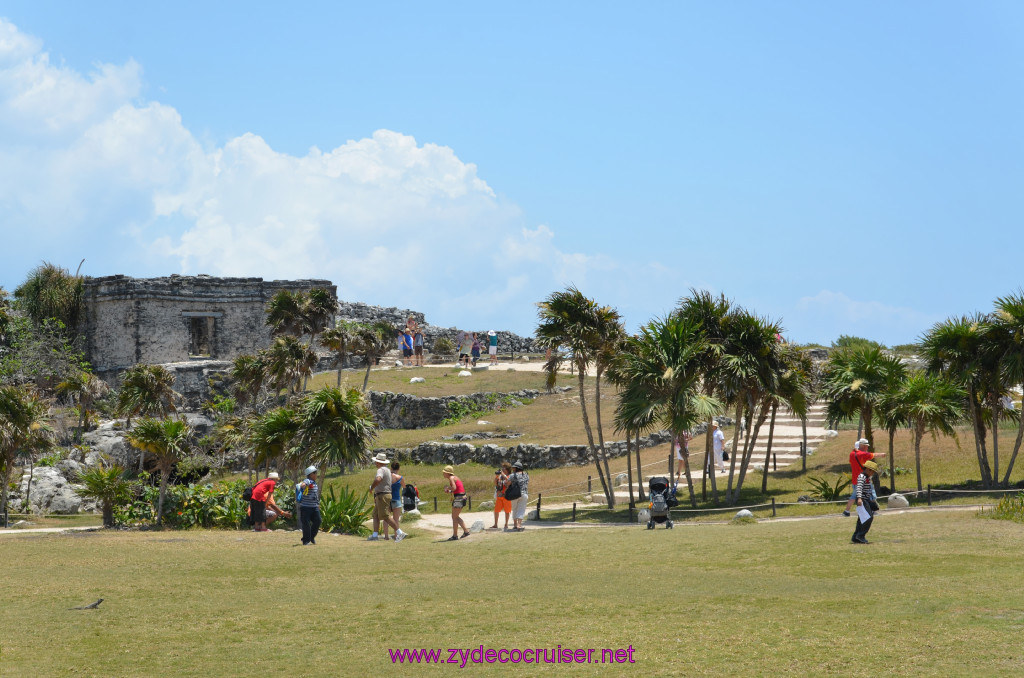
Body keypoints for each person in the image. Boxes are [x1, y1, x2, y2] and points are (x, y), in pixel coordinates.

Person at [369, 453, 406, 542]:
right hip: (385, 495)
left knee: (385, 516)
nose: (375, 463)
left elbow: (378, 479)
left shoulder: (380, 470)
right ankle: (375, 535)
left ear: (378, 462)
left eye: (376, 462)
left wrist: (371, 487)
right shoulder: (387, 470)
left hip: (382, 495)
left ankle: (400, 533)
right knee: (376, 515)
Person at [844, 438, 886, 517]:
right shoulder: (862, 454)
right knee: (871, 494)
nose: (867, 448)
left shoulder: (852, 454)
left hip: (855, 480)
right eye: (866, 446)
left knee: (854, 496)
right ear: (862, 446)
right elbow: (872, 455)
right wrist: (882, 454)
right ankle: (873, 510)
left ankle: (846, 511)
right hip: (863, 479)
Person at [852, 460, 880, 544]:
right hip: (862, 500)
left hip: (866, 499)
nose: (873, 474)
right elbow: (859, 488)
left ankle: (855, 537)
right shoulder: (862, 477)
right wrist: (860, 498)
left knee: (862, 519)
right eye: (873, 472)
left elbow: (868, 490)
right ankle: (860, 535)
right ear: (868, 469)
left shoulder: (867, 478)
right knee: (868, 517)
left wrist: (871, 499)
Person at [442, 465, 470, 541]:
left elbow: (454, 488)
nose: (443, 474)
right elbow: (456, 489)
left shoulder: (451, 478)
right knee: (455, 516)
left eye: (444, 472)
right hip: (462, 497)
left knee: (454, 517)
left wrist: (448, 488)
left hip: (459, 498)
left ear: (448, 473)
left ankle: (457, 535)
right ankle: (464, 532)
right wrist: (450, 491)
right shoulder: (455, 477)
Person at [297, 466, 321, 545]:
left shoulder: (314, 483)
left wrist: (317, 504)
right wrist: (303, 485)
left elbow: (315, 495)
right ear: (310, 474)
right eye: (315, 473)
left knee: (318, 521)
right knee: (306, 524)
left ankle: (311, 537)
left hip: (314, 507)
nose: (316, 474)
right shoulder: (308, 480)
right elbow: (303, 484)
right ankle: (306, 541)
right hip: (306, 507)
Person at [382, 461, 404, 540]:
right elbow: (404, 486)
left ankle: (386, 536)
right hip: (396, 499)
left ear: (391, 468)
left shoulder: (387, 477)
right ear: (398, 469)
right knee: (396, 519)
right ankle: (396, 535)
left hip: (387, 498)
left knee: (386, 518)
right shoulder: (400, 478)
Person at [508, 460, 530, 532]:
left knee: (514, 509)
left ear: (516, 468)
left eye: (514, 468)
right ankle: (519, 525)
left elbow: (508, 483)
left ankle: (515, 524)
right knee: (521, 509)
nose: (513, 469)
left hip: (515, 494)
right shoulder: (526, 475)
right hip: (524, 494)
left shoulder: (512, 475)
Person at [491, 462, 512, 530]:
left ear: (507, 469)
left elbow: (509, 481)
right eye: (502, 467)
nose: (502, 469)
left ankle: (506, 524)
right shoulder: (500, 476)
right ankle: (495, 524)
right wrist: (497, 477)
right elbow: (495, 483)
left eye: (504, 467)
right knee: (496, 510)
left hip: (506, 496)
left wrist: (503, 475)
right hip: (499, 495)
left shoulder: (510, 476)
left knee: (507, 511)